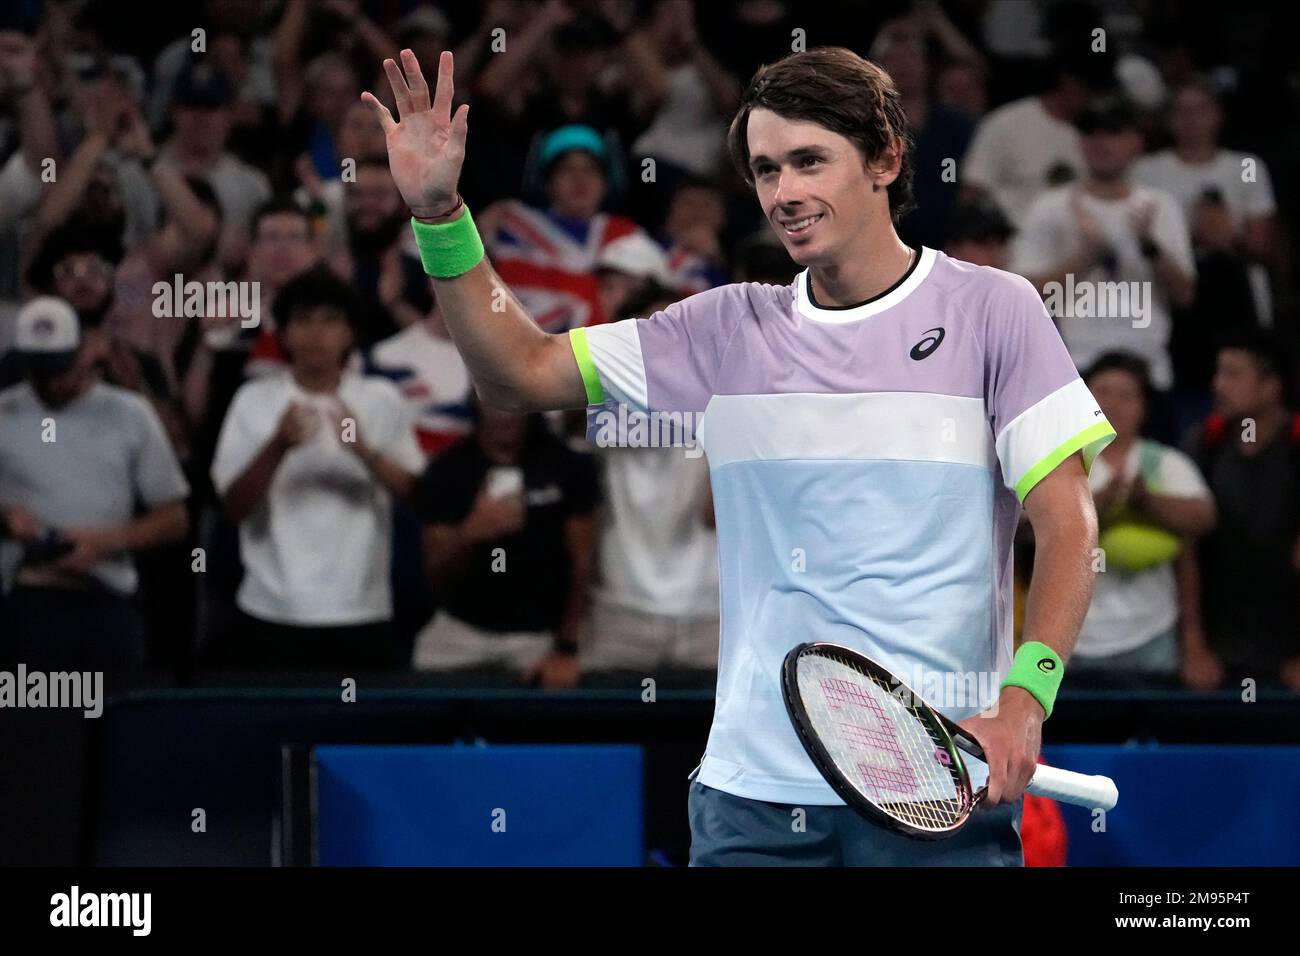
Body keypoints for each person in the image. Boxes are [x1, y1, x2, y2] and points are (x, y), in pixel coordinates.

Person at [364, 45, 1116, 866]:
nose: (784, 192)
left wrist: (1026, 700)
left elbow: (1069, 526)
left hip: (937, 785)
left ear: (886, 159)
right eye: (765, 170)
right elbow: (518, 371)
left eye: (808, 162)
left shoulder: (992, 311)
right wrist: (439, 217)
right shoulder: (722, 330)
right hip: (750, 799)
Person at [210, 267, 422, 669]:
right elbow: (232, 509)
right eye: (303, 321)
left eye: (329, 321)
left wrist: (363, 452)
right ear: (284, 334)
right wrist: (277, 447)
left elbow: (418, 496)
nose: (316, 334)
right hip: (271, 611)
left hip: (361, 612)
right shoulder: (253, 400)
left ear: (349, 333)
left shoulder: (380, 399)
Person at [0, 297, 189, 671]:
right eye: (38, 370)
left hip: (106, 601)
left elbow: (175, 519)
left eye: (60, 367)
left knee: (110, 722)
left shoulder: (130, 414)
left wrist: (101, 543)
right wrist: (4, 518)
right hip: (22, 599)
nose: (51, 381)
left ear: (86, 350)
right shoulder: (3, 411)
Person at [1010, 97, 1196, 400]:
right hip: (1074, 368)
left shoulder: (1159, 207)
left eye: (1113, 131)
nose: (1100, 142)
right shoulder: (1051, 206)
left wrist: (1150, 248)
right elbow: (1022, 295)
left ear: (1136, 142)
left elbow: (1185, 295)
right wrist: (1086, 255)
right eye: (1091, 133)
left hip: (1148, 368)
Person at [580, 281, 720, 679]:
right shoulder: (598, 408)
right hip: (619, 612)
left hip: (711, 615)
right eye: (650, 333)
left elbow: (715, 514)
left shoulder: (725, 403)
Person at [410, 397, 599, 687]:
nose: (506, 415)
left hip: (536, 636)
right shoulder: (448, 469)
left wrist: (566, 647)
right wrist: (470, 532)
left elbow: (582, 562)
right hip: (460, 630)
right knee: (419, 688)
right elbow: (435, 577)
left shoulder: (568, 466)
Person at [1068, 352, 1215, 687]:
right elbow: (1026, 532)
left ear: (1144, 407)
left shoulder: (1164, 463)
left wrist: (1147, 501)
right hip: (1073, 640)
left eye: (1126, 394)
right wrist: (1098, 504)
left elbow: (1203, 520)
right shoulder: (1063, 464)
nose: (1113, 403)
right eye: (1102, 391)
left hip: (1153, 636)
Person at [1182, 333, 1300, 690]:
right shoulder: (1204, 444)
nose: (1218, 385)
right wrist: (1194, 648)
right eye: (1218, 373)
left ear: (1271, 386)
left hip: (1288, 638)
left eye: (1232, 375)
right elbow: (1185, 552)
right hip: (1218, 644)